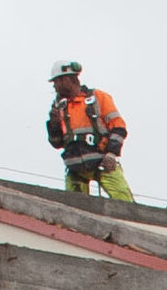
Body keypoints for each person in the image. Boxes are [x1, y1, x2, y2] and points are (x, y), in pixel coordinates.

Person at [45, 62, 133, 202]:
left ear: (67, 79)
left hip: (103, 162)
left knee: (125, 203)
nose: (54, 87)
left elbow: (118, 127)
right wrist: (54, 124)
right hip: (75, 169)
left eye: (56, 82)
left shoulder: (98, 98)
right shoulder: (59, 107)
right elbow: (57, 143)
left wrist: (111, 153)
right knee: (74, 209)